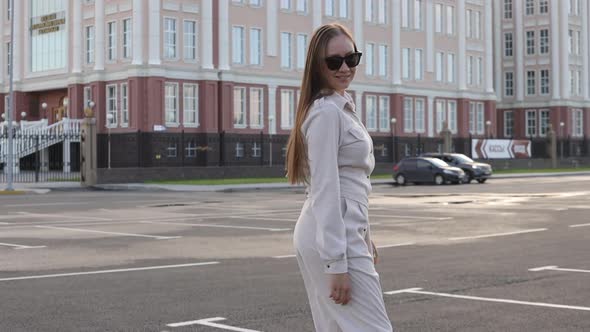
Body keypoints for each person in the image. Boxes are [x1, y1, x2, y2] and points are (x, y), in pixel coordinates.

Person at [286, 23, 394, 332]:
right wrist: (336, 263)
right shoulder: (326, 113)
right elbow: (325, 188)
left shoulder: (341, 107)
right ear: (318, 67)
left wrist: (365, 234)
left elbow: (354, 183)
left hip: (342, 233)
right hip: (331, 239)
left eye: (352, 58)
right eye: (334, 61)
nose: (345, 67)